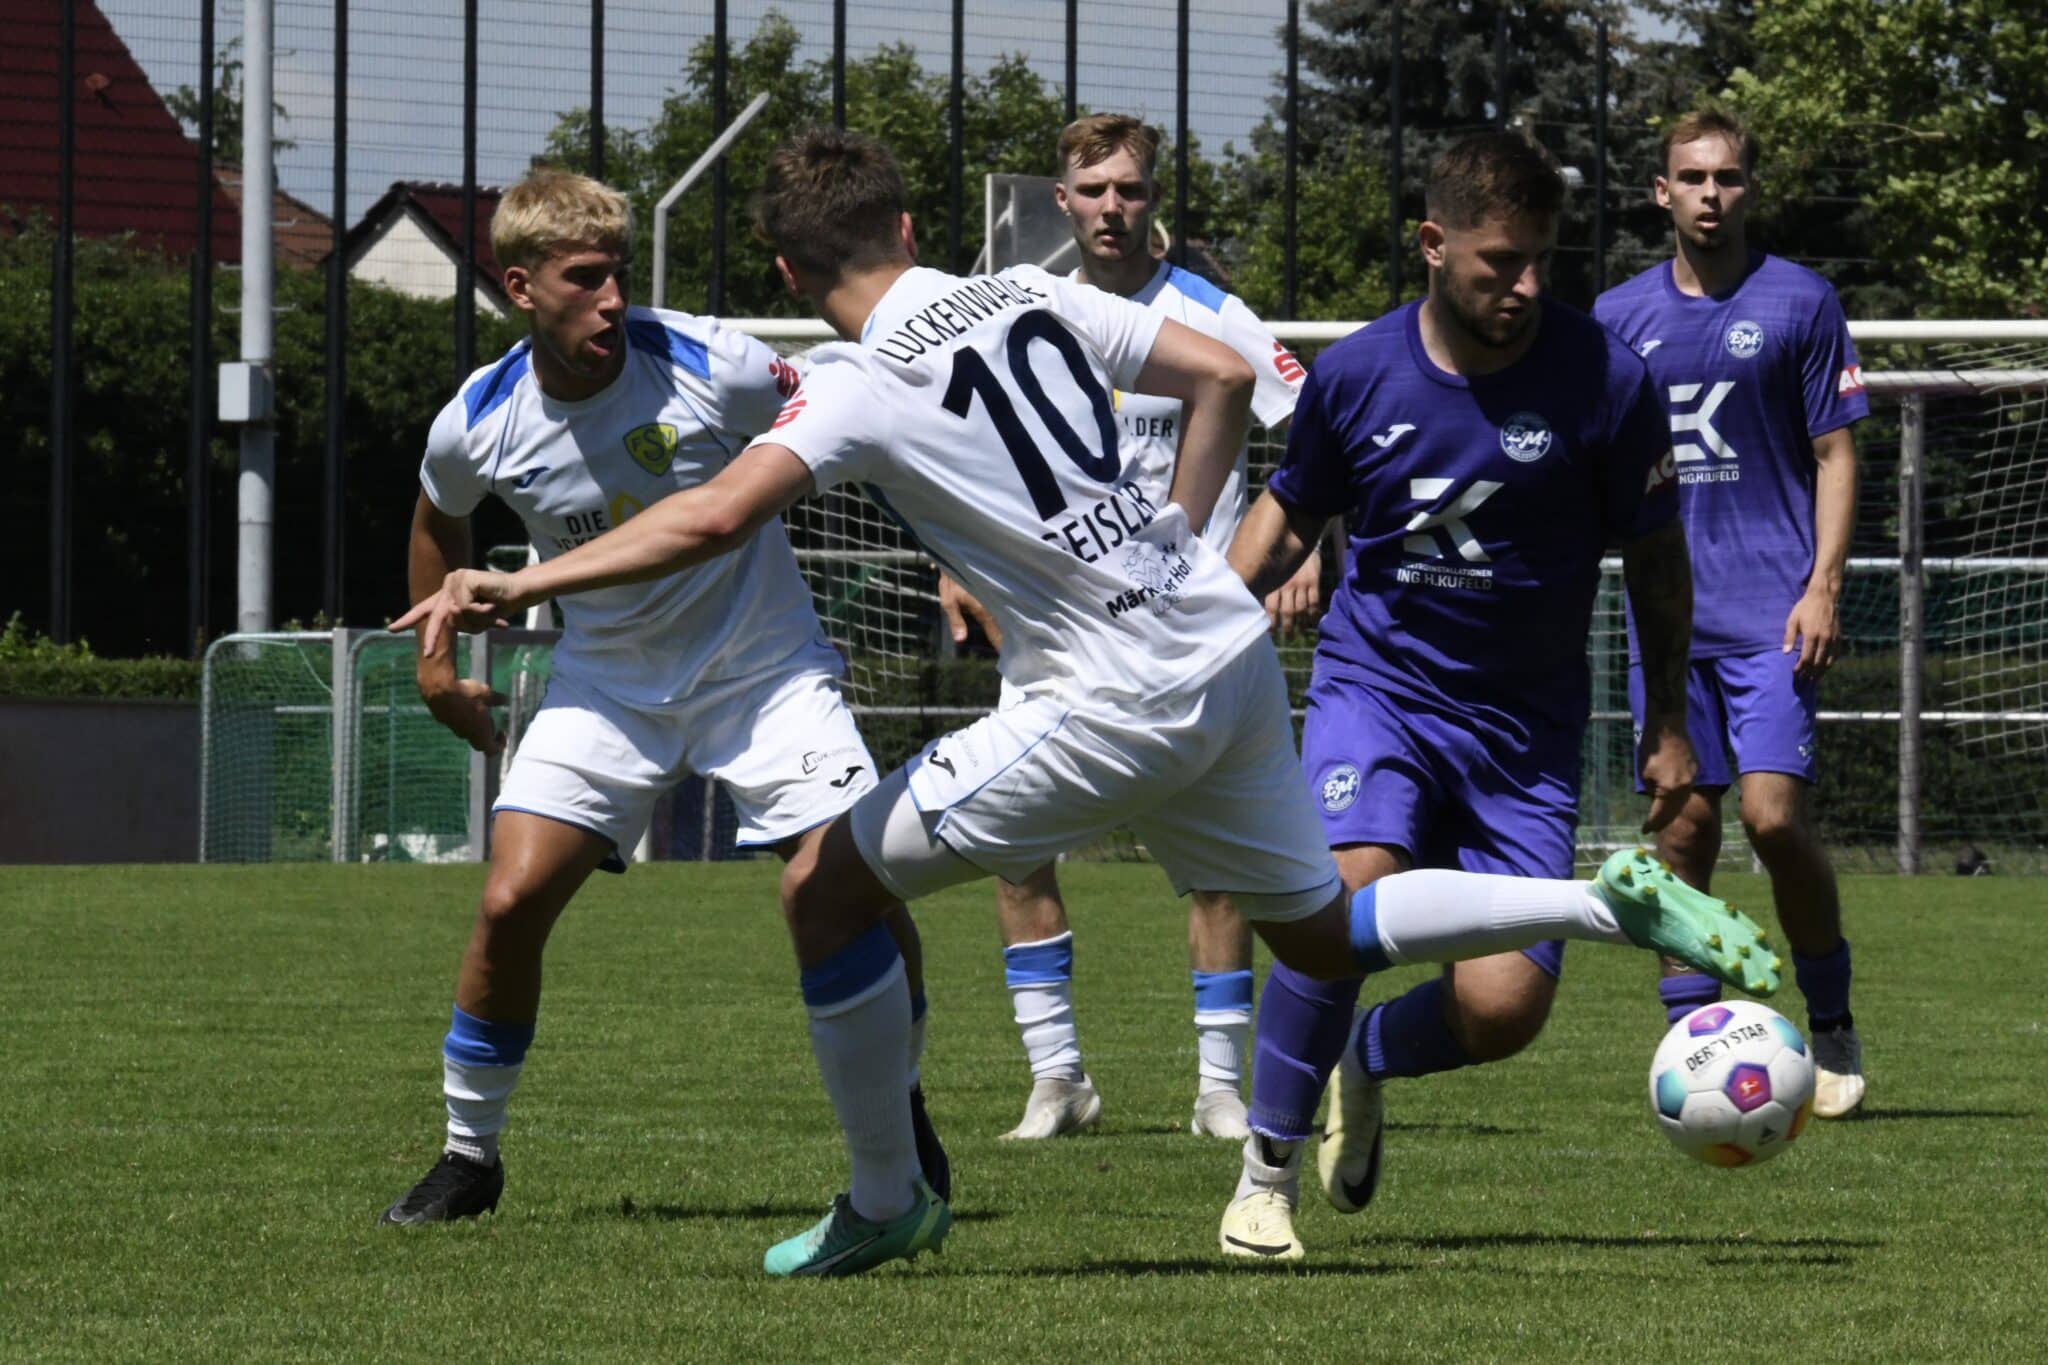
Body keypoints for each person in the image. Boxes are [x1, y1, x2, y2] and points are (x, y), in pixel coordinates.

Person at [395, 128, 1780, 1277]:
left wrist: (522, 588)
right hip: (1219, 646)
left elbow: (705, 519)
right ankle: (1607, 903)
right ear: (909, 218)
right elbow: (1223, 375)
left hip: (1109, 698)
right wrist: (1172, 543)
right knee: (1321, 931)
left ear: (784, 268)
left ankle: (887, 1201)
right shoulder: (1026, 290)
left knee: (823, 890)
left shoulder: (863, 385)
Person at [379, 169, 944, 1226]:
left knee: (853, 886)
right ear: (518, 286)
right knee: (507, 903)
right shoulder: (480, 421)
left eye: (618, 277)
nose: (610, 301)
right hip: (609, 690)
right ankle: (469, 1155)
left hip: (764, 671)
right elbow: (434, 519)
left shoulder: (710, 363)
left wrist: (956, 544)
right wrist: (436, 665)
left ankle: (899, 1106)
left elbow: (864, 418)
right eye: (583, 279)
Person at [1218, 130, 1706, 1258]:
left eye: (1542, 259)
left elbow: (1654, 556)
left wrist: (1668, 722)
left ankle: (1366, 1056)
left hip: (1524, 733)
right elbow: (1287, 512)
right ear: (1433, 246)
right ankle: (1263, 1178)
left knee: (1501, 1012)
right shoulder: (1354, 372)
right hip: (1375, 689)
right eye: (1499, 261)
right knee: (1335, 902)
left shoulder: (1607, 379)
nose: (1525, 285)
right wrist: (1197, 629)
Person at [938, 113, 1322, 1143]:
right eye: (1093, 190)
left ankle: (1215, 1089)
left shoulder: (1210, 315)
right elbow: (973, 457)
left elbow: (1314, 422)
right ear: (1059, 202)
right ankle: (1057, 1081)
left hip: (1186, 631)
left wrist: (1309, 543)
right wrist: (953, 560)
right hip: (1058, 629)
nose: (1113, 207)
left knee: (1218, 870)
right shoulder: (1028, 315)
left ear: (1155, 201)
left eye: (1131, 190)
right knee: (1015, 851)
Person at [1593, 110, 1869, 1117]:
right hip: (1665, 624)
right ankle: (1690, 1044)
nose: (1711, 193)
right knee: (1680, 827)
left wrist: (1822, 583)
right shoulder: (1614, 317)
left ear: (1749, 190)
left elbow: (1837, 450)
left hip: (1770, 616)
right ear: (1660, 193)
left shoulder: (1799, 302)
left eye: (1728, 177)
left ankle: (1829, 1020)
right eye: (1691, 178)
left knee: (1771, 818)